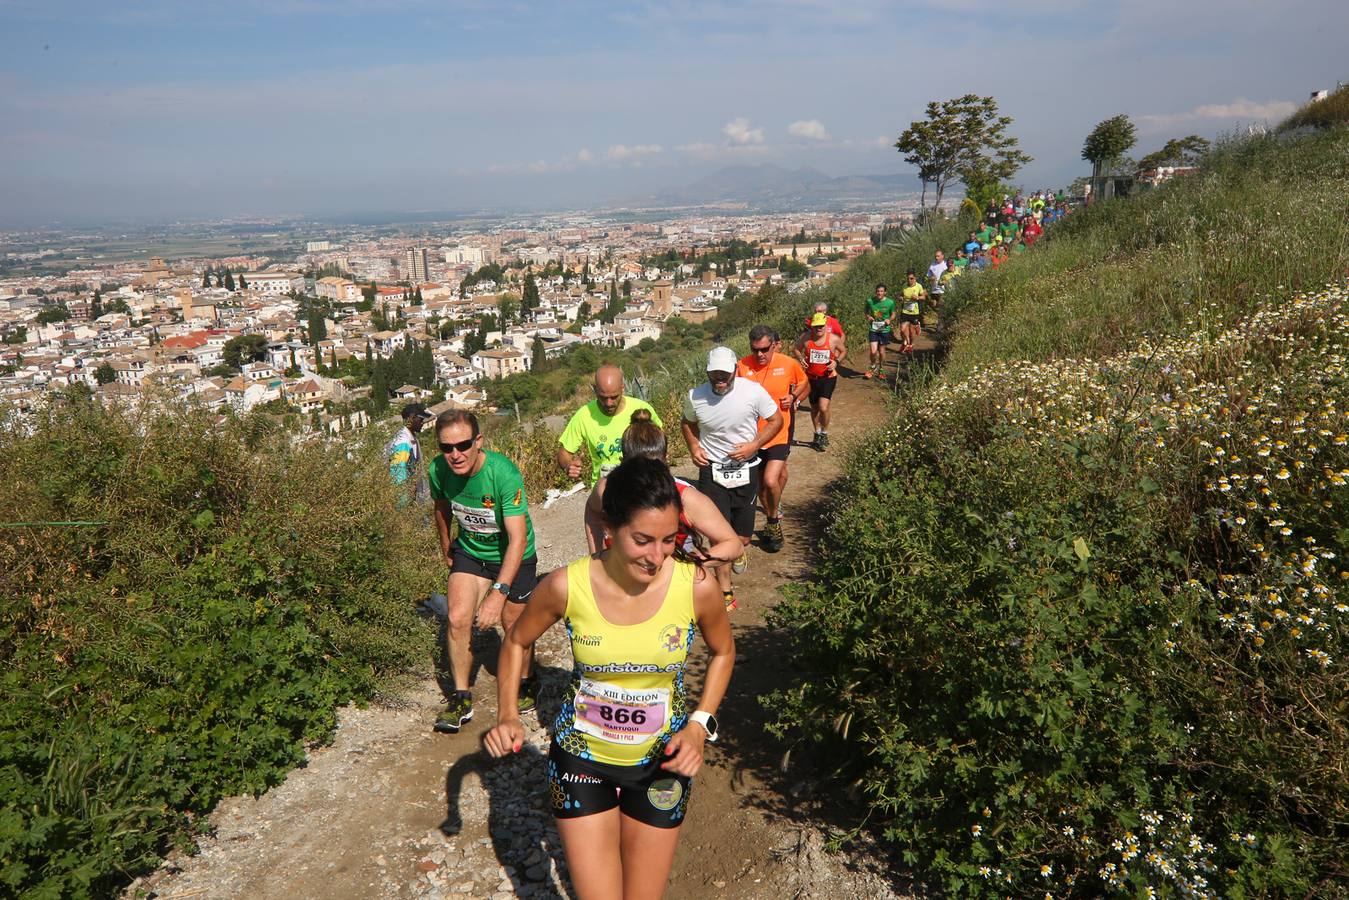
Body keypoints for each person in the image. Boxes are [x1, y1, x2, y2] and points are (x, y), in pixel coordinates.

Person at [485, 457, 735, 900]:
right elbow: (517, 641)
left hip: (664, 759)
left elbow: (723, 651)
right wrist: (507, 714)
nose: (657, 557)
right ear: (610, 527)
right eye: (642, 540)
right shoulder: (567, 585)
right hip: (582, 760)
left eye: (667, 540)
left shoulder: (695, 585)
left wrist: (700, 725)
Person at [429, 410, 541, 734]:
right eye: (446, 448)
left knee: (513, 624)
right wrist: (445, 543)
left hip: (513, 553)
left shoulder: (503, 473)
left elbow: (518, 538)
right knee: (458, 618)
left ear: (478, 441)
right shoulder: (439, 469)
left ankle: (529, 680)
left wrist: (499, 592)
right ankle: (461, 698)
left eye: (463, 445)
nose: (455, 454)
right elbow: (440, 506)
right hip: (472, 552)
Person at [584, 410, 744, 607]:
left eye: (654, 469)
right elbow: (592, 511)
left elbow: (733, 544)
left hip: (668, 590)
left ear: (665, 460)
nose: (647, 477)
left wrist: (687, 565)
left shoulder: (685, 498)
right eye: (639, 470)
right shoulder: (607, 489)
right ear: (623, 461)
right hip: (620, 585)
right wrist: (597, 557)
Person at [682, 346, 783, 577]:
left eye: (725, 374)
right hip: (712, 471)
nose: (720, 379)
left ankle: (738, 550)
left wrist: (754, 446)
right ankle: (724, 591)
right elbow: (687, 423)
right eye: (714, 374)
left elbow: (776, 420)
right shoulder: (695, 396)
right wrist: (694, 446)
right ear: (707, 372)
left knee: (742, 538)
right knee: (717, 535)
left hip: (745, 470)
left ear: (735, 370)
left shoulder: (753, 392)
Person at [737, 325, 809, 553]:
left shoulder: (788, 363)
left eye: (765, 349)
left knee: (770, 480)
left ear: (774, 345)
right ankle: (772, 508)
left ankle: (773, 521)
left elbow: (804, 383)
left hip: (780, 430)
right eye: (755, 349)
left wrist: (794, 397)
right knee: (761, 483)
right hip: (753, 436)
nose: (760, 354)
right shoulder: (741, 366)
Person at [558, 364, 662, 485]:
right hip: (604, 491)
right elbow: (564, 452)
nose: (609, 403)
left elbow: (660, 441)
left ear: (622, 388)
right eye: (603, 397)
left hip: (641, 487)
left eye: (614, 397)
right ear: (595, 390)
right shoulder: (584, 415)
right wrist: (568, 466)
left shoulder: (641, 409)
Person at [794, 313, 845, 450]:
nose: (819, 329)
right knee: (815, 408)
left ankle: (824, 433)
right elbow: (796, 349)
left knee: (823, 407)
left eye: (821, 326)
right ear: (812, 326)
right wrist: (800, 358)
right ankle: (816, 432)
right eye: (816, 326)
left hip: (828, 377)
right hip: (811, 378)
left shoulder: (833, 339)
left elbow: (843, 351)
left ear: (825, 325)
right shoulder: (806, 338)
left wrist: (836, 362)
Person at [387, 402, 429, 502]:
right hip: (408, 500)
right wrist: (404, 502)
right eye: (421, 419)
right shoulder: (402, 442)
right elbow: (398, 473)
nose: (422, 423)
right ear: (411, 417)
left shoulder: (411, 436)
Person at [862, 283, 895, 379]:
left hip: (884, 329)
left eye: (881, 291)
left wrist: (890, 319)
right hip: (874, 328)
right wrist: (868, 317)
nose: (879, 293)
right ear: (876, 292)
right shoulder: (870, 301)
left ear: (885, 292)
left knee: (881, 351)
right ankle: (873, 367)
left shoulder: (890, 302)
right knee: (873, 351)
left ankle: (881, 369)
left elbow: (893, 314)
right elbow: (866, 312)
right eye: (878, 291)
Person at [898, 269, 926, 353]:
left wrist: (917, 298)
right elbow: (900, 295)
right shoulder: (904, 286)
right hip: (905, 311)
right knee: (902, 329)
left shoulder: (918, 286)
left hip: (914, 312)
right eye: (908, 279)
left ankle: (911, 344)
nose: (910, 280)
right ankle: (905, 342)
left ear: (915, 278)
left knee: (911, 331)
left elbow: (924, 297)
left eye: (911, 278)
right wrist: (900, 298)